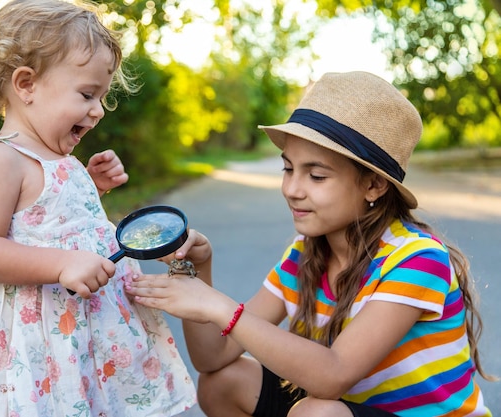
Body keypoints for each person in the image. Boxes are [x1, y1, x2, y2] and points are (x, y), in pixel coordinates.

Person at [126, 71, 495, 417]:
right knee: (222, 383)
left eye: (316, 175)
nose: (292, 189)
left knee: (317, 411)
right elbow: (214, 358)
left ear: (374, 185)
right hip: (354, 409)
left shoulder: (418, 259)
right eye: (288, 168)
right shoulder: (305, 254)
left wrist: (221, 308)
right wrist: (198, 276)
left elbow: (332, 376)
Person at [0, 1, 196, 416]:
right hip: (46, 338)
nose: (97, 110)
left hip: (91, 332)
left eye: (101, 97)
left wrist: (91, 185)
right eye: (87, 94)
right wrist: (62, 263)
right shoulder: (2, 158)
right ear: (26, 84)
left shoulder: (60, 160)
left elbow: (48, 219)